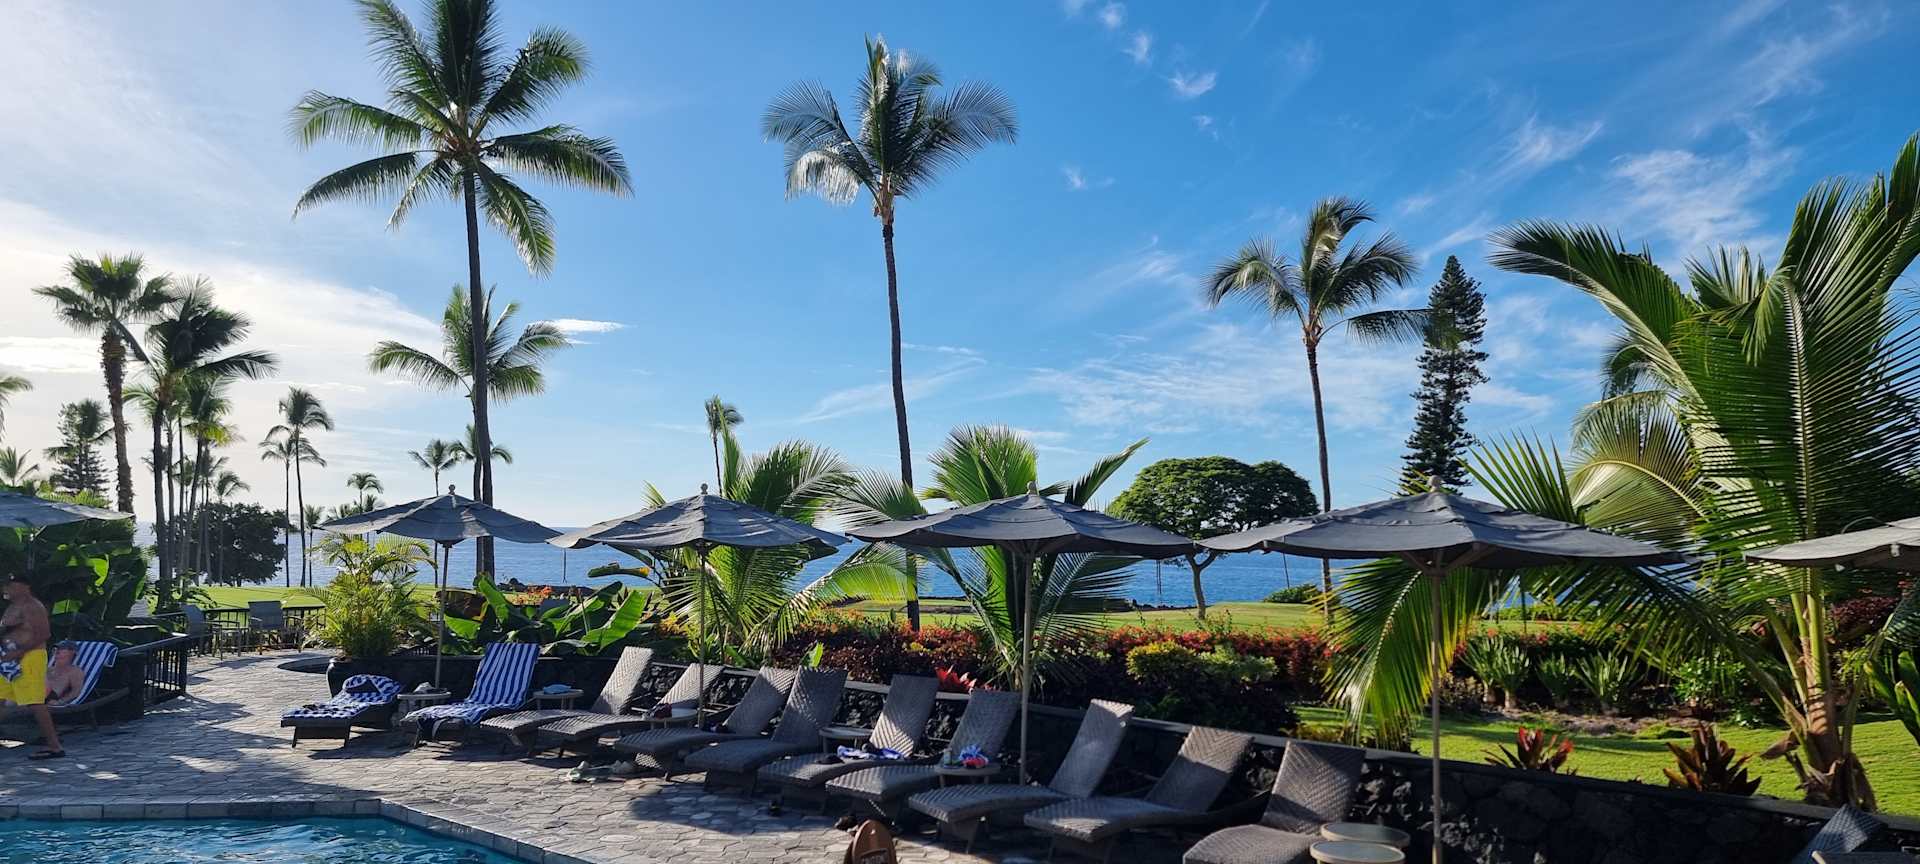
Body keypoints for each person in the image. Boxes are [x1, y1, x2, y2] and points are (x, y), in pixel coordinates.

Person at [0, 579, 65, 758]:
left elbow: (44, 634)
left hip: (29, 658)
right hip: (7, 659)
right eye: (5, 585)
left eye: (10, 585)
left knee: (35, 702)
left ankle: (55, 747)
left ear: (25, 586)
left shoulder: (33, 606)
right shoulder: (11, 607)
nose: (6, 588)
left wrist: (18, 652)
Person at [44, 642, 84, 708]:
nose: (57, 651)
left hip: (49, 696)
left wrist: (60, 702)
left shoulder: (75, 671)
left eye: (62, 648)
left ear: (73, 652)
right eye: (56, 649)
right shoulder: (49, 669)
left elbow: (75, 692)